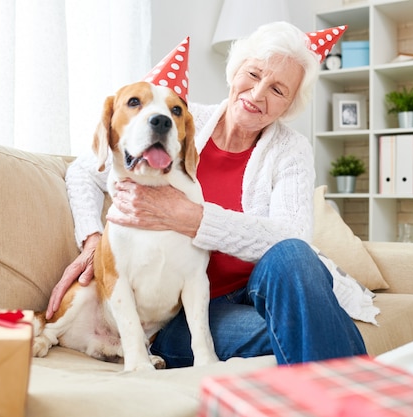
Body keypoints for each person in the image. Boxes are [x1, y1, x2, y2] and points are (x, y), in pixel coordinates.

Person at [46, 21, 366, 367]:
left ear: (288, 106)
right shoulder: (177, 122)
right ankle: (357, 391)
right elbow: (83, 171)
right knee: (305, 327)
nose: (258, 94)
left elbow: (292, 236)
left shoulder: (291, 149)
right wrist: (92, 241)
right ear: (235, 72)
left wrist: (193, 218)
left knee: (294, 254)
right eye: (254, 74)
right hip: (191, 310)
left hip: (267, 287)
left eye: (278, 90)